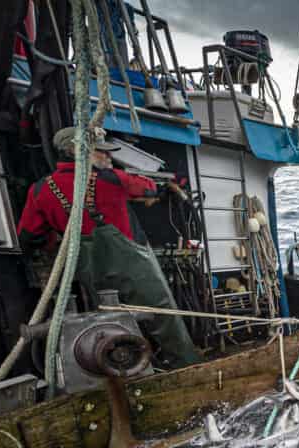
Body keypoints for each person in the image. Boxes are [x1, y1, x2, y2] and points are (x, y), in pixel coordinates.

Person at [18, 127, 201, 369]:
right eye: (100, 152)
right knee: (164, 318)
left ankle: (131, 370)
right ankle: (187, 367)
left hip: (92, 275)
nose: (107, 157)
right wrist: (171, 183)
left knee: (113, 326)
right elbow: (148, 188)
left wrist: (56, 237)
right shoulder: (110, 178)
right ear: (75, 151)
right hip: (135, 269)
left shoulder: (41, 189)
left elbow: (29, 234)